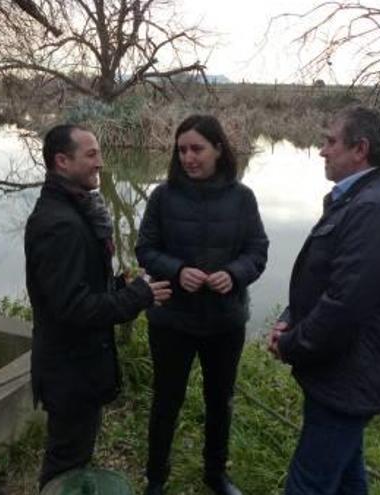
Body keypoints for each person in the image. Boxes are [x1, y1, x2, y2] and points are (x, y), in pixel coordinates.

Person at [268, 105, 380, 495]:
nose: (322, 150)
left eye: (330, 141)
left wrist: (291, 344)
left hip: (348, 377)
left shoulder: (375, 210)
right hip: (341, 373)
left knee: (308, 484)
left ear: (360, 149)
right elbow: (325, 281)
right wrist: (291, 318)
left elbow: (344, 306)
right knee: (348, 477)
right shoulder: (358, 199)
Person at [25, 124, 172, 490]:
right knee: (65, 466)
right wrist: (139, 295)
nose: (101, 163)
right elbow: (74, 308)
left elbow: (77, 288)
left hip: (76, 368)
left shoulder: (75, 212)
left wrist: (121, 285)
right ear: (62, 161)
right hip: (69, 372)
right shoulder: (60, 225)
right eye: (91, 155)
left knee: (73, 454)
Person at [136, 115, 269, 495]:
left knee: (219, 401)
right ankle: (156, 478)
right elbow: (145, 249)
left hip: (225, 322)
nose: (189, 158)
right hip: (171, 320)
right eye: (182, 150)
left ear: (219, 149)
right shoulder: (163, 196)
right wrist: (177, 271)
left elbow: (257, 250)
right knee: (166, 400)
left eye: (197, 149)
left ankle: (216, 474)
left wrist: (235, 273)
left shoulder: (242, 198)